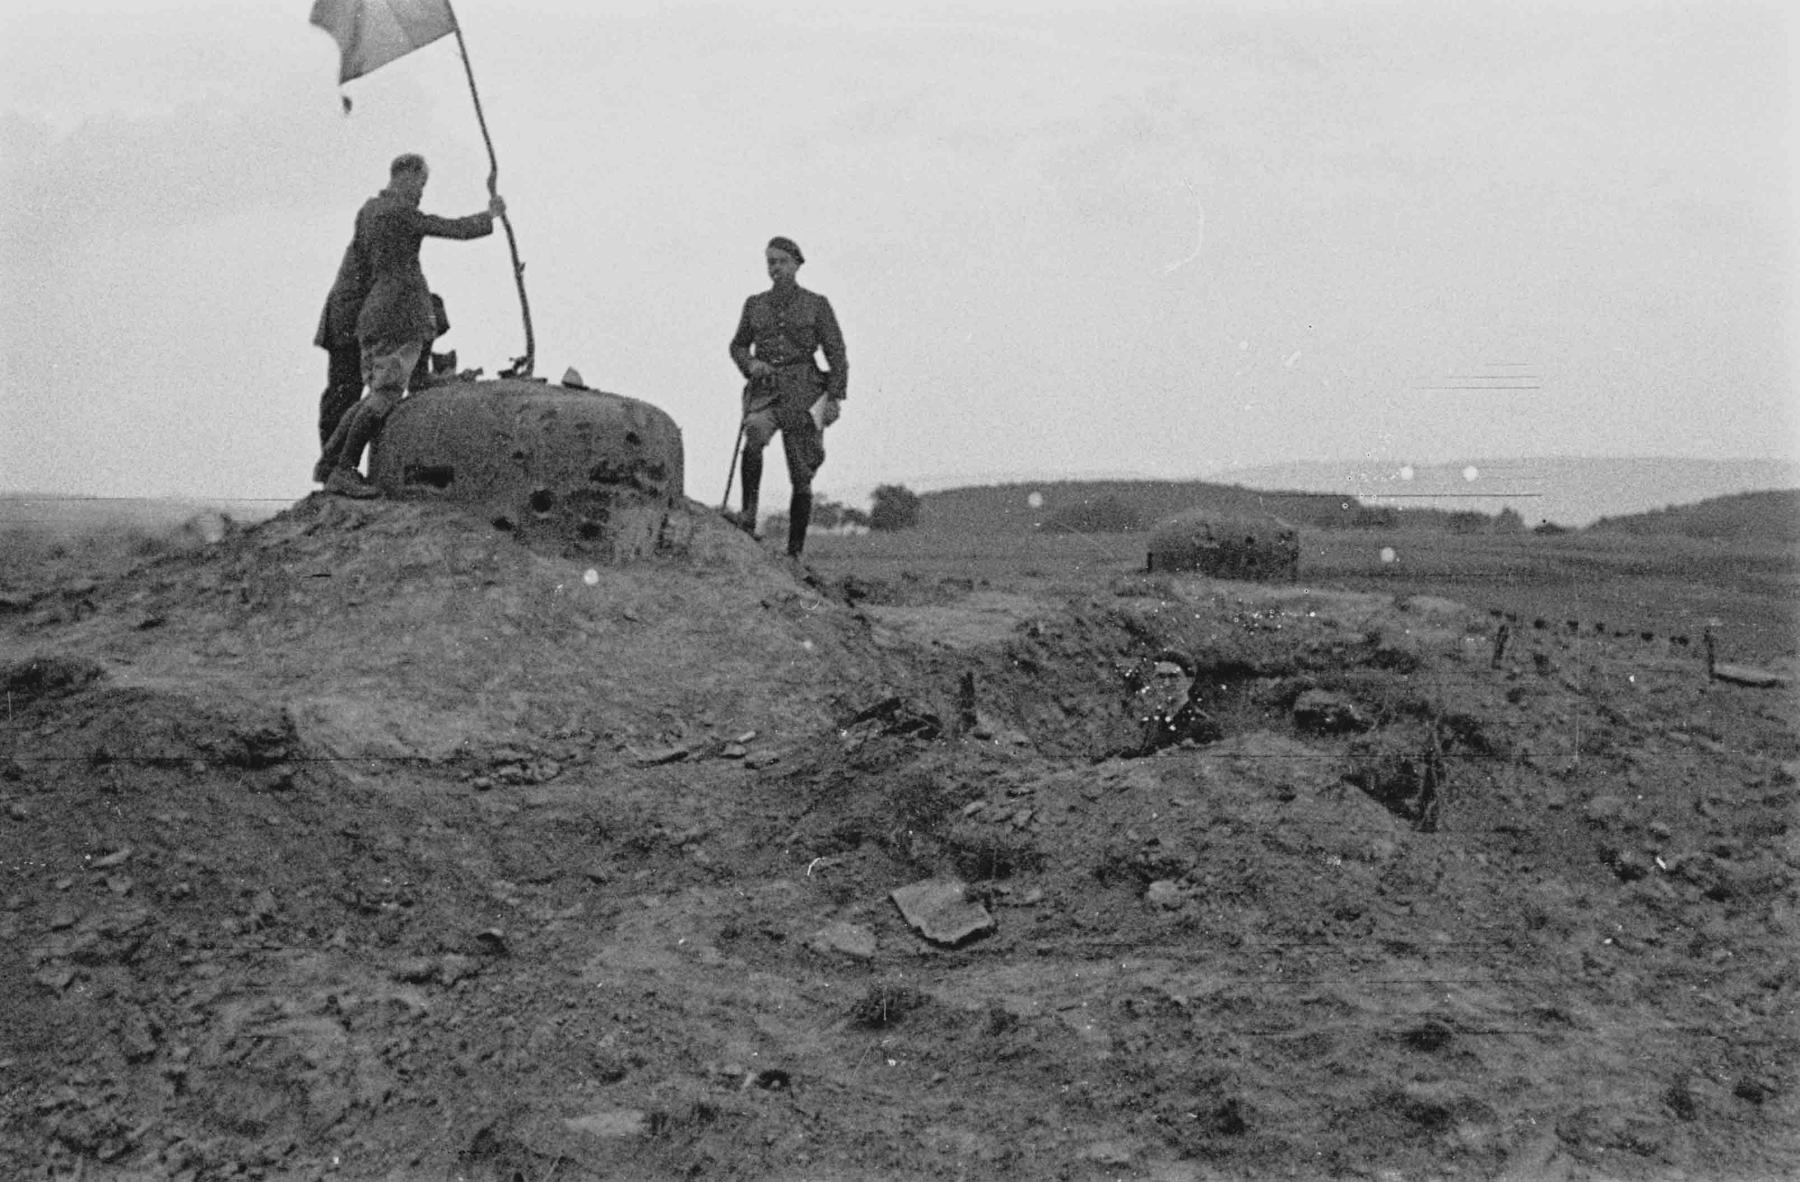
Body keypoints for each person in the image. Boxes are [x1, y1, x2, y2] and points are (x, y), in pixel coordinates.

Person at [317, 153, 504, 498]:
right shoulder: (399, 213)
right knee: (384, 395)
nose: (421, 191)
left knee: (373, 394)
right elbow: (452, 229)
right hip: (395, 311)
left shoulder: (369, 211)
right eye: (420, 183)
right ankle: (343, 469)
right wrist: (489, 216)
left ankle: (329, 463)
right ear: (406, 176)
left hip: (373, 311)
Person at [727, 236, 848, 557]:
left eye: (781, 262)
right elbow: (737, 345)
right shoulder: (754, 304)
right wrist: (751, 363)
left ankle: (795, 552)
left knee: (801, 473)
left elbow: (836, 353)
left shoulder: (817, 305)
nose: (775, 268)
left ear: (796, 264)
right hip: (765, 392)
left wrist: (835, 398)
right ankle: (748, 514)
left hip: (805, 395)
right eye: (770, 262)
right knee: (754, 433)